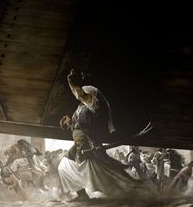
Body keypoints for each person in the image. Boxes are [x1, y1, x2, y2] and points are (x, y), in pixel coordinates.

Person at [58, 69, 149, 200]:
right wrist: (68, 124)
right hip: (79, 147)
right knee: (64, 166)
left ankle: (134, 193)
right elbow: (76, 123)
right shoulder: (80, 109)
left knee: (107, 177)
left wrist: (73, 84)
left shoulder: (94, 107)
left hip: (88, 146)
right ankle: (82, 194)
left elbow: (83, 99)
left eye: (86, 95)